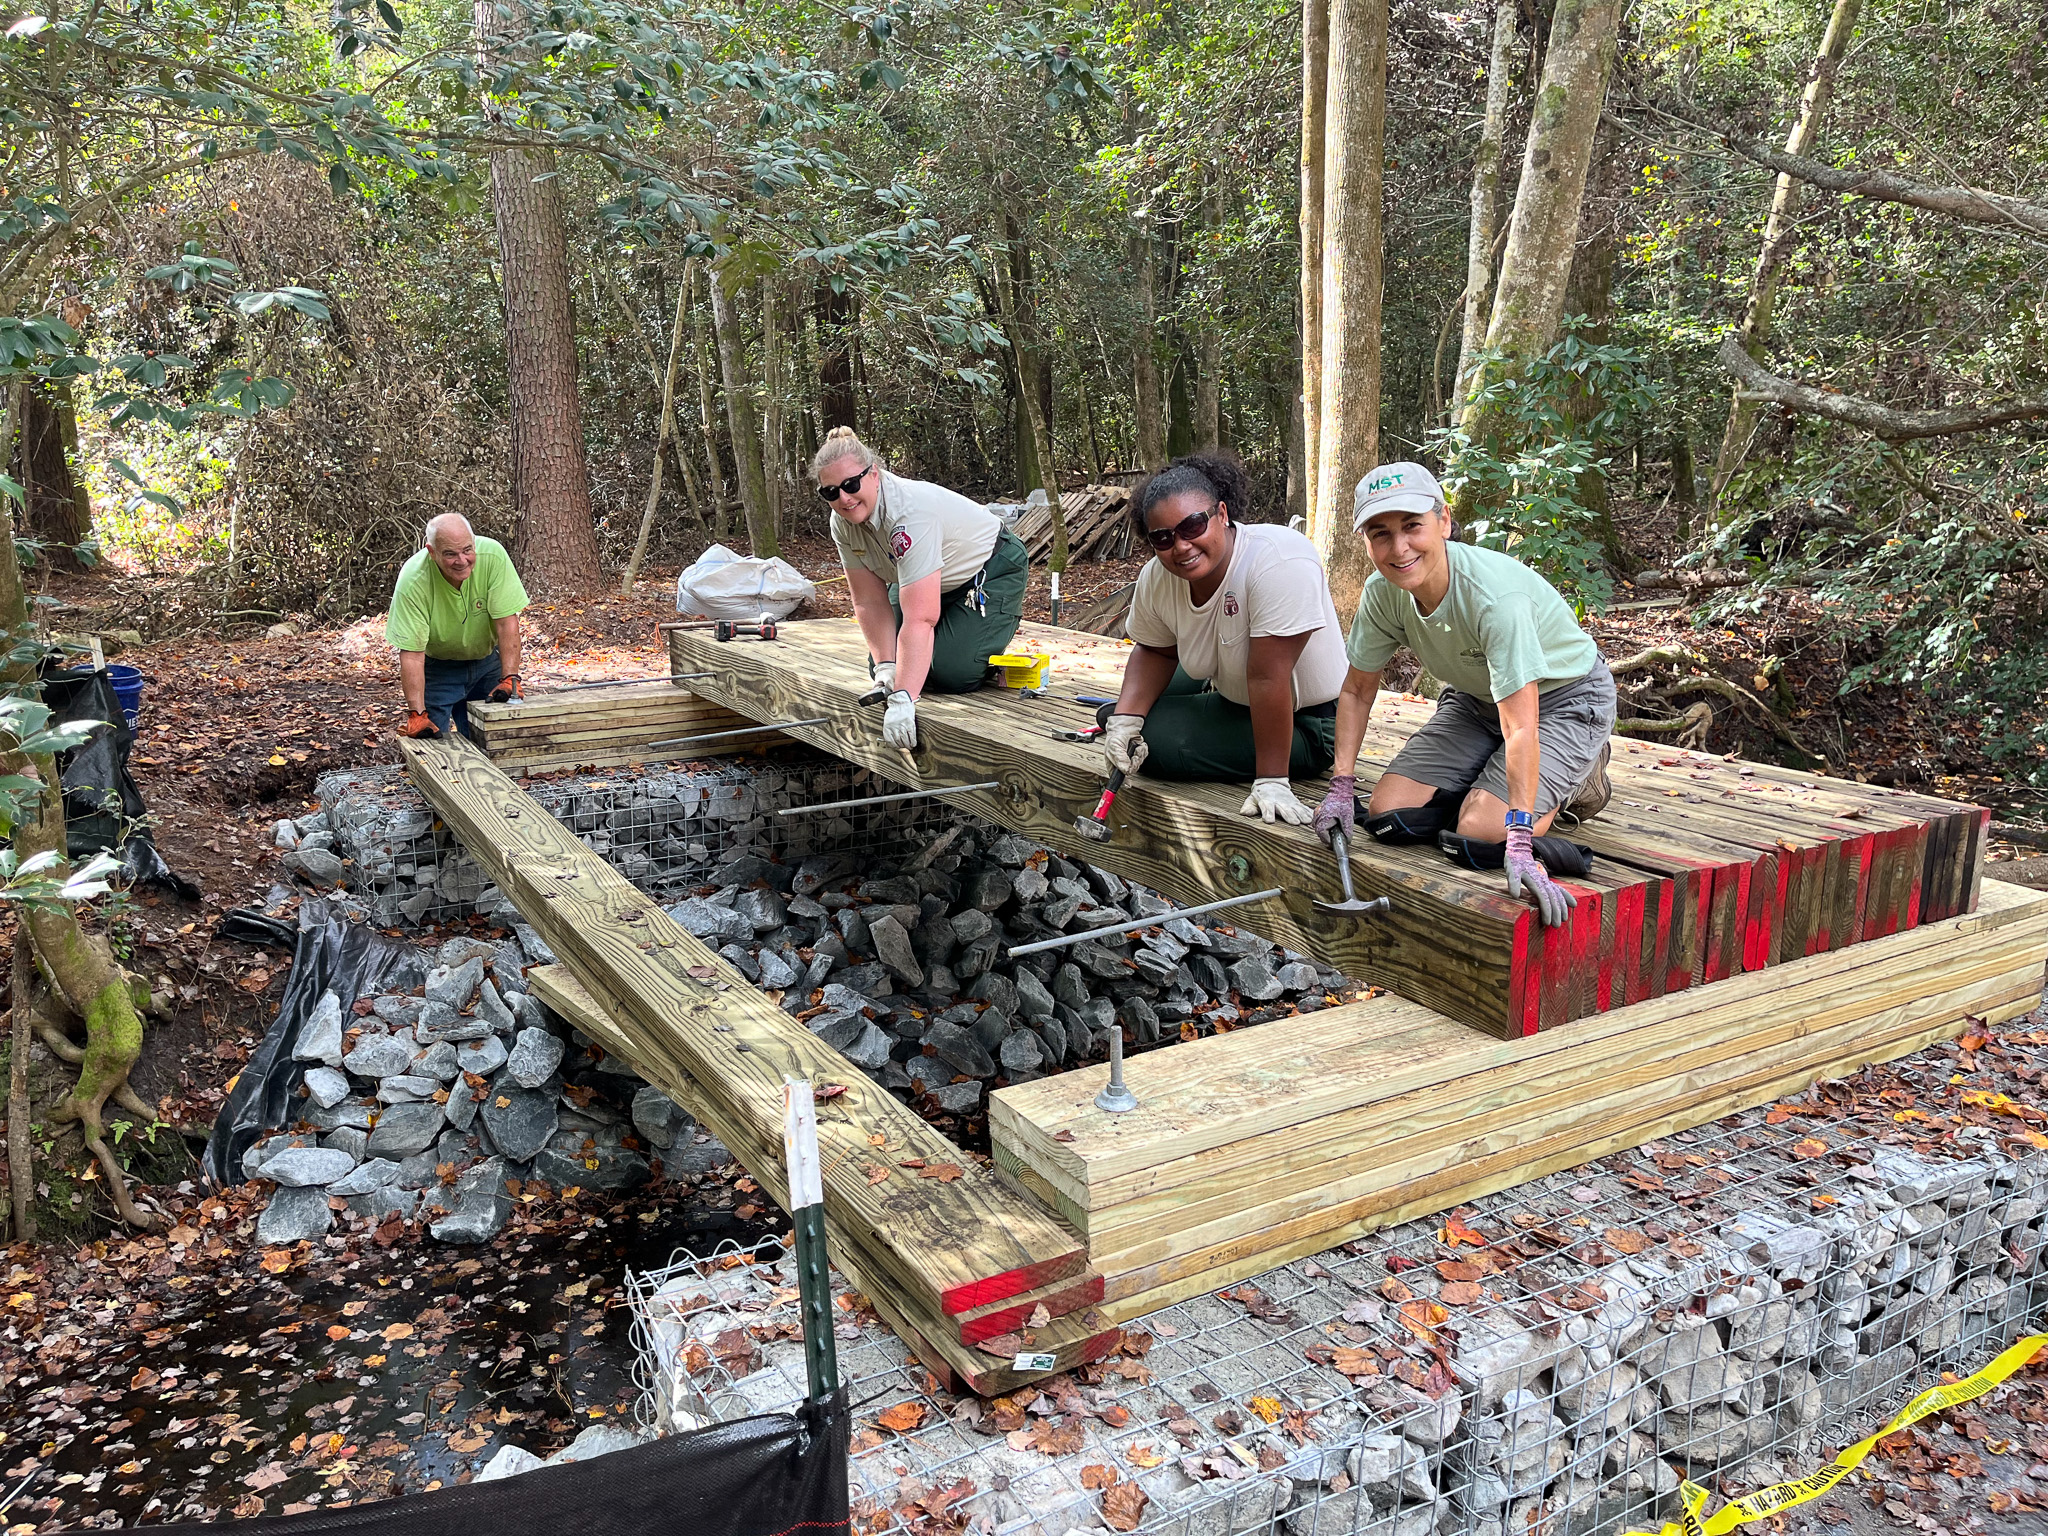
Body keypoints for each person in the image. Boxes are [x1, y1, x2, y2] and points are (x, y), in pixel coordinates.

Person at [1312, 461, 1615, 927]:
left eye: (1413, 526)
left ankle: (1580, 775)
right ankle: (1492, 778)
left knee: (1480, 834)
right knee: (1388, 814)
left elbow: (1520, 726)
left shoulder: (1495, 601)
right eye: (1380, 534)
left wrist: (1518, 843)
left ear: (1444, 521)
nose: (1400, 548)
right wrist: (1341, 786)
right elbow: (1355, 692)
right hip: (1478, 701)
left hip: (1562, 700)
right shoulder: (1382, 593)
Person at [1100, 452, 1349, 824]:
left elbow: (1269, 678)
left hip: (1310, 724)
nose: (1181, 546)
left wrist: (1271, 781)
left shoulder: (1278, 560)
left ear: (1221, 514)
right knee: (1121, 716)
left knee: (1161, 742)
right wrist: (1124, 720)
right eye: (1163, 538)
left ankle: (1267, 761)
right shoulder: (1157, 576)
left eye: (1192, 526)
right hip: (1236, 695)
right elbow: (1156, 651)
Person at [814, 425, 1027, 750]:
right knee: (883, 664)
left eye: (851, 484)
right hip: (922, 581)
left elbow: (920, 619)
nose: (843, 498)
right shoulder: (841, 523)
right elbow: (869, 601)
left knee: (952, 671)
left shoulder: (910, 512)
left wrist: (903, 699)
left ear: (874, 474)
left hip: (989, 568)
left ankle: (980, 645)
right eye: (831, 492)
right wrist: (887, 668)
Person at [386, 513, 530, 740]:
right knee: (432, 748)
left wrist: (509, 678)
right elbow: (412, 654)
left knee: (494, 741)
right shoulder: (413, 580)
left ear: (474, 543)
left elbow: (506, 623)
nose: (461, 560)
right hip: (439, 669)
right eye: (450, 554)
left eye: (467, 550)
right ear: (432, 552)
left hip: (487, 664)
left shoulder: (493, 556)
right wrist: (417, 712)